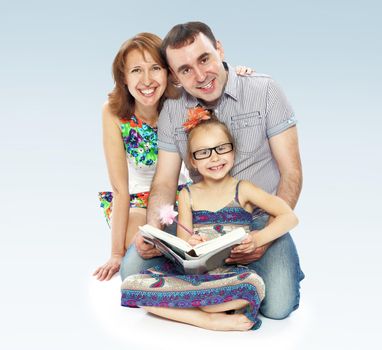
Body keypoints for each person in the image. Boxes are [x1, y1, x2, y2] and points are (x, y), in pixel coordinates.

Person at [121, 22, 305, 320]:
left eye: (204, 59)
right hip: (200, 226)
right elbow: (165, 183)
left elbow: (292, 174)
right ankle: (213, 300)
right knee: (130, 271)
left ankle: (206, 288)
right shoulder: (173, 109)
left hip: (257, 221)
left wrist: (264, 240)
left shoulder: (264, 90)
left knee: (279, 307)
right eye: (185, 69)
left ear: (219, 49)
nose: (200, 75)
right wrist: (155, 231)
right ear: (175, 75)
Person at [94, 32, 253, 281]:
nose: (147, 80)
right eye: (136, 70)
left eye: (155, 68)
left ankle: (204, 286)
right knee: (142, 248)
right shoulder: (113, 112)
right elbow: (119, 189)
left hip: (182, 195)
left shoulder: (181, 99)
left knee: (202, 244)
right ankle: (181, 288)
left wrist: (236, 74)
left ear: (169, 72)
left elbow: (214, 85)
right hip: (136, 200)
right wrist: (116, 253)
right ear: (124, 77)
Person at [120, 112, 298, 331]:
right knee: (131, 286)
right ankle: (205, 317)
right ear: (193, 161)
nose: (215, 158)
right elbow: (185, 245)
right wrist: (194, 242)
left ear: (233, 151)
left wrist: (257, 238)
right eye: (204, 153)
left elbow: (289, 216)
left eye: (222, 148)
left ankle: (195, 307)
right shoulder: (188, 194)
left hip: (234, 276)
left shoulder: (243, 189)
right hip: (198, 279)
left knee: (253, 286)